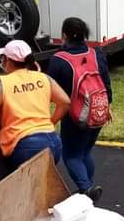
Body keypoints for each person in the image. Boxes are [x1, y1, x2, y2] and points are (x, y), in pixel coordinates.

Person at [0, 39, 70, 170]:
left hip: (26, 146)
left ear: (8, 60)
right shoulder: (43, 78)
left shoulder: (2, 83)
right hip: (53, 142)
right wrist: (51, 122)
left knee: (23, 187)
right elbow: (65, 102)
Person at [47, 17, 112, 202]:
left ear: (64, 35)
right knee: (85, 151)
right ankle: (89, 187)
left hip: (76, 115)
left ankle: (86, 189)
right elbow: (106, 82)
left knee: (71, 155)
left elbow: (50, 88)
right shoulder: (96, 54)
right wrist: (108, 106)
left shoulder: (59, 60)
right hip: (98, 110)